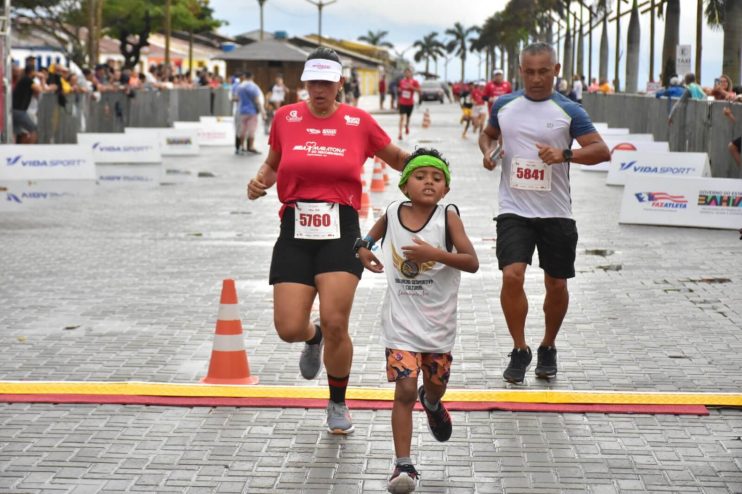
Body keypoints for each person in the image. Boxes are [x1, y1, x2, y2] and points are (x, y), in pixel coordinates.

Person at [246, 47, 410, 435]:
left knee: (337, 321)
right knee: (288, 327)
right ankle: (312, 337)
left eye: (327, 82)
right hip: (295, 228)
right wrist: (260, 181)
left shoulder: (358, 121)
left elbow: (397, 157)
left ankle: (337, 402)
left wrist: (429, 165)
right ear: (304, 82)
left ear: (340, 83)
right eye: (312, 82)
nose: (319, 90)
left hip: (341, 227)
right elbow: (273, 163)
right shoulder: (286, 118)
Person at [478, 42, 610, 384]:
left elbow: (601, 151)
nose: (537, 78)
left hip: (556, 212)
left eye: (544, 71)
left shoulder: (569, 110)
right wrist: (489, 152)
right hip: (513, 208)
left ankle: (548, 346)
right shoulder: (505, 105)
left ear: (556, 70)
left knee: (556, 283)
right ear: (521, 71)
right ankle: (520, 349)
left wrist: (565, 155)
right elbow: (488, 134)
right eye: (530, 71)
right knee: (512, 276)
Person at [355, 148, 479, 493]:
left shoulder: (448, 216)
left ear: (446, 189)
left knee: (433, 385)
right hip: (401, 323)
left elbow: (471, 262)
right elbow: (369, 237)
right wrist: (363, 248)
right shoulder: (393, 211)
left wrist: (435, 254)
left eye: (437, 178)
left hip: (438, 325)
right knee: (404, 389)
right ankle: (403, 465)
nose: (429, 183)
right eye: (421, 177)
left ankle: (434, 401)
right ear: (405, 185)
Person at [234, 71, 264, 154]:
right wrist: (262, 111)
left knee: (242, 130)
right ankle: (250, 147)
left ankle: (241, 147)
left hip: (241, 111)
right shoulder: (254, 86)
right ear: (252, 77)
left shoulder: (240, 87)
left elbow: (236, 98)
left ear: (244, 77)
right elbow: (257, 100)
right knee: (251, 131)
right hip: (252, 112)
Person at [11, 65, 41, 144]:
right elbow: (39, 89)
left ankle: (17, 151)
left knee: (19, 132)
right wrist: (42, 79)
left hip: (14, 110)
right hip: (19, 111)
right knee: (34, 130)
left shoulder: (23, 79)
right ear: (32, 72)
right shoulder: (27, 79)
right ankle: (30, 151)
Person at [397, 68, 420, 140]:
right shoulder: (402, 81)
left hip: (410, 103)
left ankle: (407, 126)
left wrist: (412, 87)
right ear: (404, 74)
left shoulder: (414, 81)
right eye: (406, 73)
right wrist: (399, 91)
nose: (407, 74)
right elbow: (399, 90)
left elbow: (419, 90)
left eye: (408, 73)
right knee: (401, 117)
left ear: (411, 73)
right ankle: (400, 133)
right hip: (402, 102)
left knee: (408, 117)